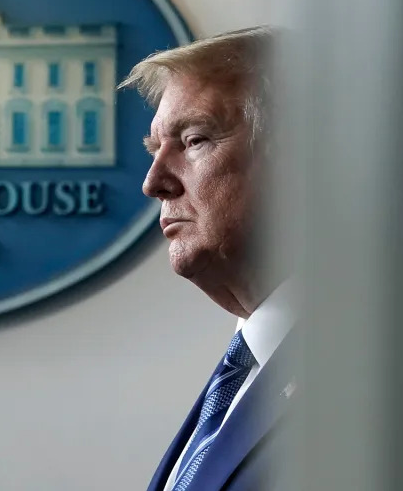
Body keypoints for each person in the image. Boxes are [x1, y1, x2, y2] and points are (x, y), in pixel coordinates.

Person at [120, 26, 295, 491]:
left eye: (194, 140)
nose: (154, 182)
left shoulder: (384, 367)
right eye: (156, 150)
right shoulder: (248, 366)